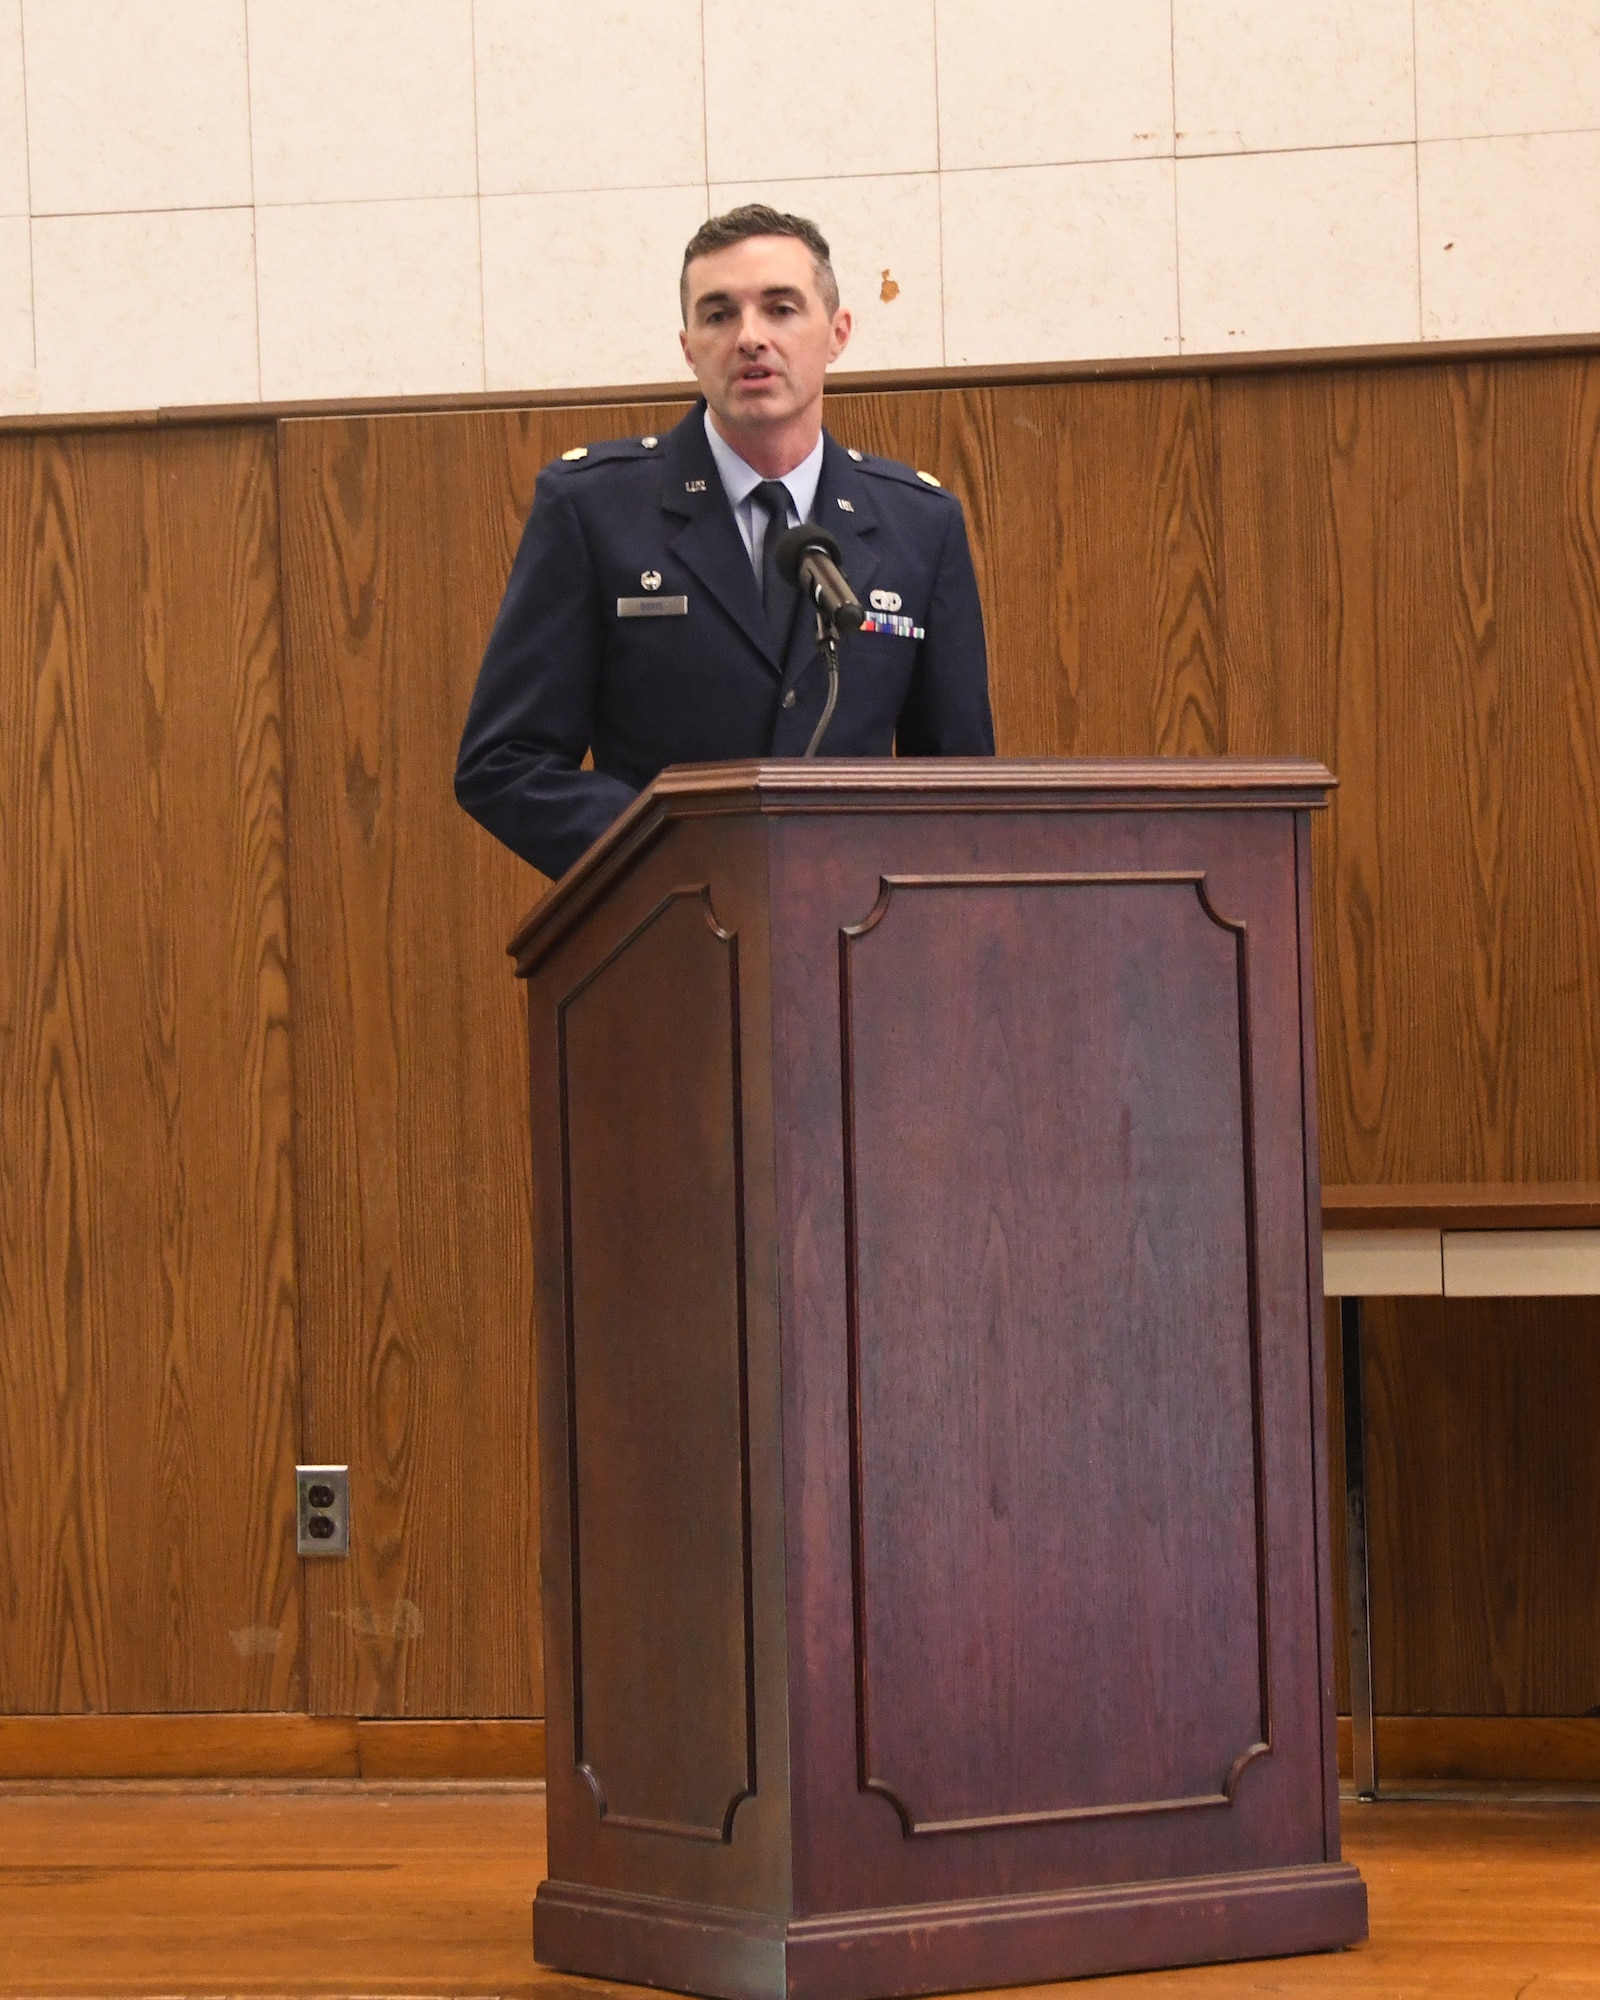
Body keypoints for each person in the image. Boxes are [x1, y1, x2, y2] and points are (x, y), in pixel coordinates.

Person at [455, 205, 994, 879]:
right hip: (667, 929)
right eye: (718, 315)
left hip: (862, 939)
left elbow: (960, 783)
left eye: (781, 309)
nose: (750, 338)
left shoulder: (920, 523)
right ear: (688, 347)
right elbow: (505, 762)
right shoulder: (594, 510)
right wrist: (671, 855)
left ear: (838, 332)